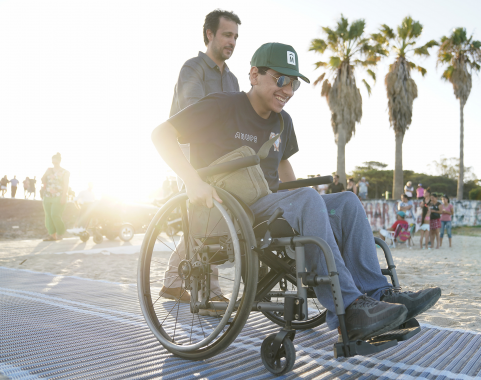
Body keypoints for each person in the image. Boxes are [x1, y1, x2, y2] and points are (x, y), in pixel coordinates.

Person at [151, 42, 441, 340]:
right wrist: (192, 181)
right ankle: (349, 309)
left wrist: (311, 202)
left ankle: (380, 295)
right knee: (308, 200)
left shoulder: (282, 121)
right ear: (253, 75)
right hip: (230, 209)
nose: (287, 90)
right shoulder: (222, 105)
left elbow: (285, 170)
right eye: (280, 80)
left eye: (293, 84)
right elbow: (161, 134)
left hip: (269, 206)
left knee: (347, 202)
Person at [163, 9, 242, 312]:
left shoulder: (233, 79)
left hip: (221, 152)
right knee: (205, 211)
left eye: (235, 36)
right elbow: (193, 113)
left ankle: (178, 281)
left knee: (214, 213)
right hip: (188, 148)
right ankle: (203, 286)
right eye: (226, 34)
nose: (231, 41)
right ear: (210, 34)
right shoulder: (193, 68)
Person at [41, 153, 70, 241]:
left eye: (55, 159)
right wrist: (46, 174)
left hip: (58, 196)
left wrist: (63, 197)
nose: (54, 161)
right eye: (52, 159)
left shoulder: (65, 172)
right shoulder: (49, 170)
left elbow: (66, 185)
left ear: (59, 160)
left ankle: (60, 233)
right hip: (47, 195)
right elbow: (42, 180)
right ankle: (52, 236)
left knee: (55, 215)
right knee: (48, 216)